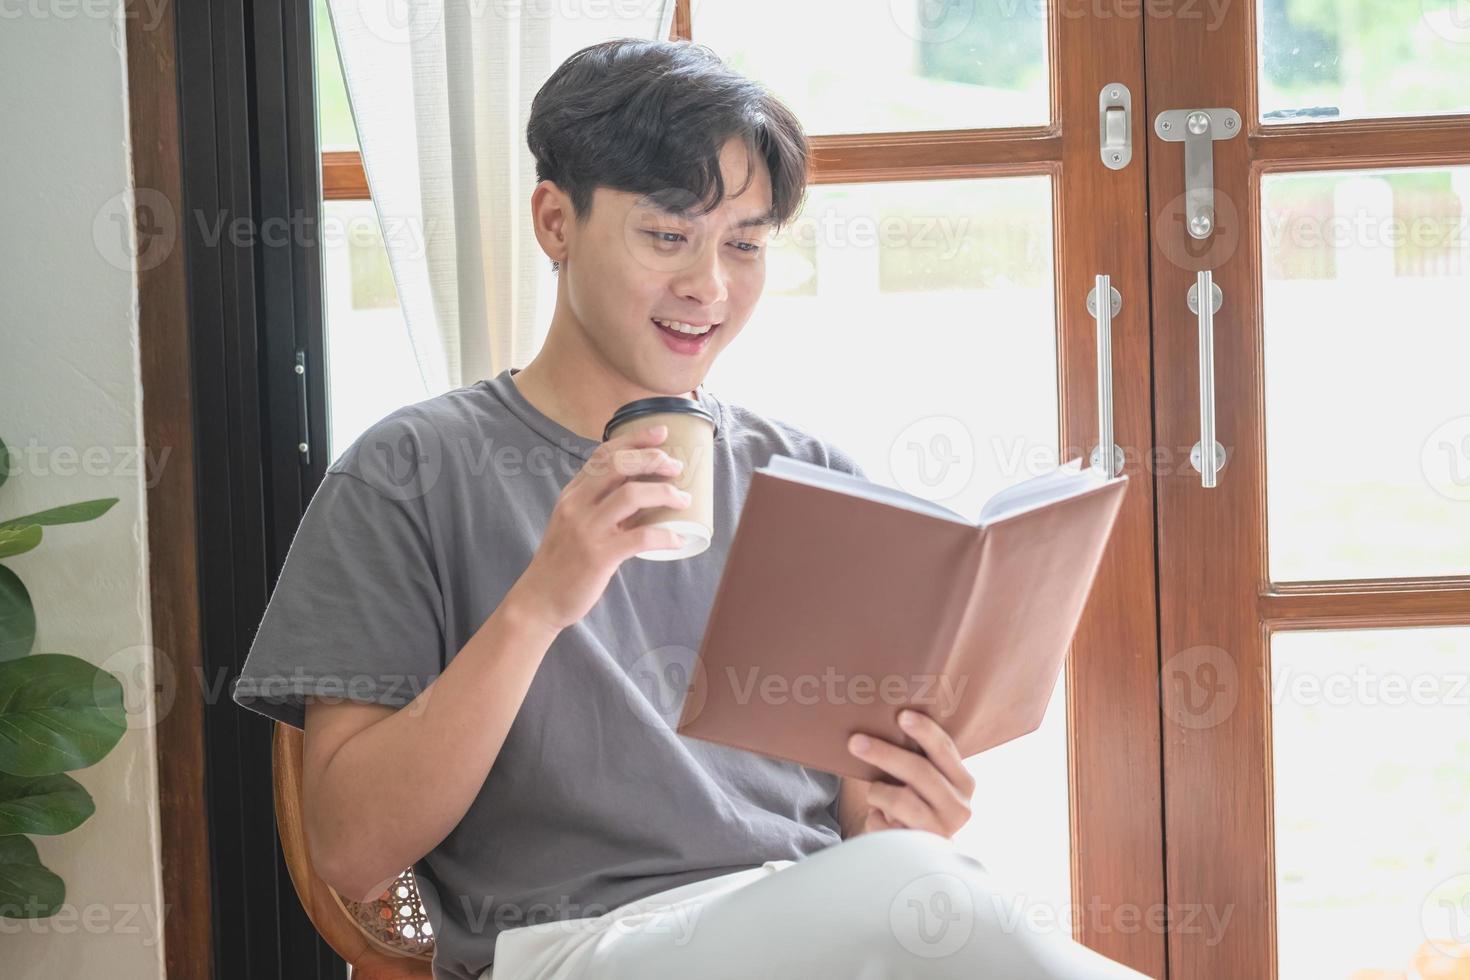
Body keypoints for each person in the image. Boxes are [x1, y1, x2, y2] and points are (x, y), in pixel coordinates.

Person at [232, 37, 1151, 980]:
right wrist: (541, 601)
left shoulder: (807, 473)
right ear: (555, 221)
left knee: (925, 883)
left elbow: (842, 824)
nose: (709, 287)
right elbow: (350, 850)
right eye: (668, 236)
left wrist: (892, 810)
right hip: (581, 949)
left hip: (818, 923)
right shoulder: (409, 472)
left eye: (744, 244)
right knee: (923, 897)